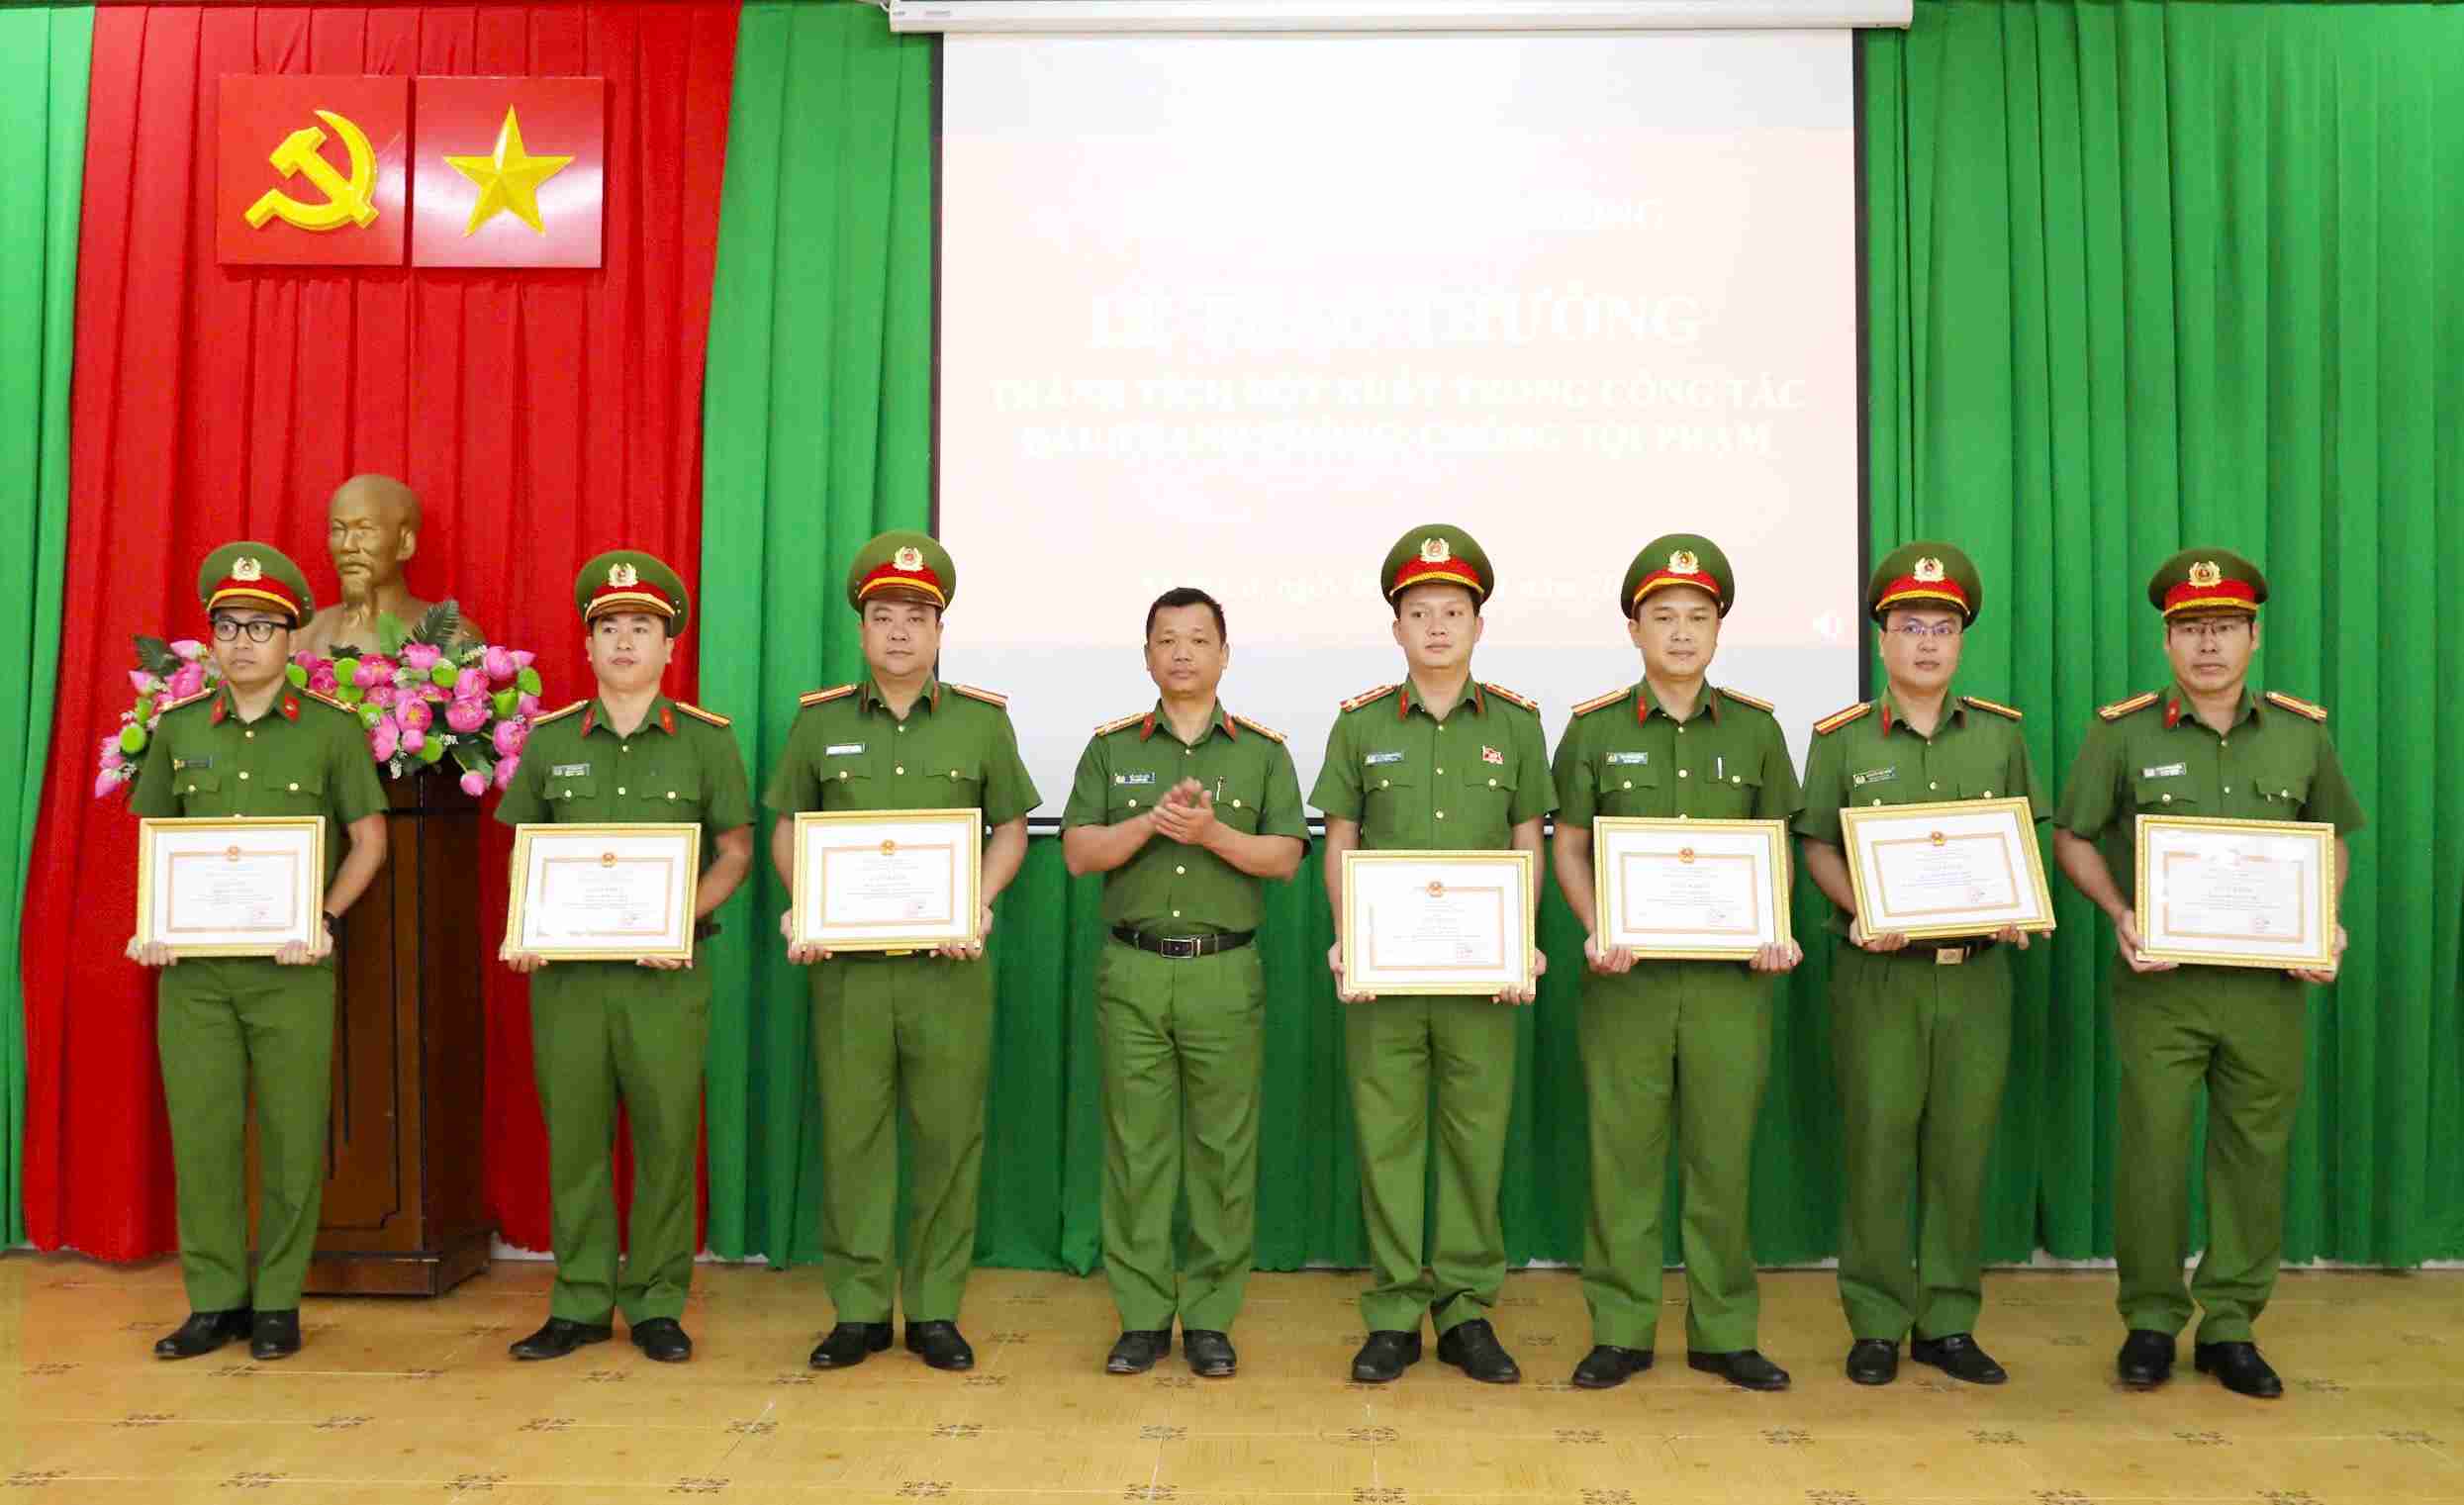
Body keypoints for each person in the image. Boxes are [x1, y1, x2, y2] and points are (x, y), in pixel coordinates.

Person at [2050, 548, 2360, 1400]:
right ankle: (2151, 1319)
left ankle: (2231, 1324)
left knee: (2255, 1153)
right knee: (2152, 1150)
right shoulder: (2123, 732)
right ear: (2167, 641)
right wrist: (2120, 912)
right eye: (2191, 629)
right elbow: (2072, 836)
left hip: (2269, 987)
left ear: (2254, 637)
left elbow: (2331, 838)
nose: (2209, 644)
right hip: (2163, 986)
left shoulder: (2302, 733)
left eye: (2225, 626)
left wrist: (2323, 918)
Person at [770, 531, 1038, 1373]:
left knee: (947, 1135)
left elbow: (1010, 830)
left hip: (947, 969)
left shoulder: (981, 722)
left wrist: (979, 901)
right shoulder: (819, 724)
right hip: (848, 971)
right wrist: (804, 904)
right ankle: (856, 1309)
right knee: (852, 1135)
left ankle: (933, 1308)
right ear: (861, 629)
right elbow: (788, 829)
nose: (898, 631)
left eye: (916, 617)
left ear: (939, 631)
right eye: (883, 615)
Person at [1548, 534, 1803, 1393]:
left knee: (1722, 1158)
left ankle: (1724, 1331)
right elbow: (1569, 845)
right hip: (1627, 981)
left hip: (1731, 985)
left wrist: (1774, 926)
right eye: (1664, 617)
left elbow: (1777, 846)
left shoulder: (1758, 730)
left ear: (1719, 628)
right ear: (1635, 629)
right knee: (1622, 1158)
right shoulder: (1594, 730)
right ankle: (1620, 1329)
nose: (1682, 632)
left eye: (1699, 616)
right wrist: (1595, 925)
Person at [128, 542, 389, 1362]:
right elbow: (157, 838)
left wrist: (325, 916)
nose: (242, 641)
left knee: (291, 1135)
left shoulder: (331, 731)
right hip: (195, 976)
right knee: (202, 1137)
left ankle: (277, 1300)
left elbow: (370, 842)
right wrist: (154, 918)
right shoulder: (177, 731)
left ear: (290, 638)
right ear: (211, 637)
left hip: (291, 969)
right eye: (228, 625)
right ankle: (214, 1301)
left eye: (262, 626)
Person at [1794, 542, 2043, 1388]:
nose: (1927, 643)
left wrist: (2016, 907)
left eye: (1943, 627)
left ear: (1961, 639)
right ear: (1882, 639)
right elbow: (1817, 846)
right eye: (1910, 626)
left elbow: (2021, 846)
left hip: (1977, 978)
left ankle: (1948, 1321)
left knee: (1961, 1149)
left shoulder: (2001, 736)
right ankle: (1874, 1319)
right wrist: (1862, 908)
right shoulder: (1840, 740)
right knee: (1877, 1144)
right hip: (1879, 977)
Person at [495, 550, 754, 1364]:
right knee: (575, 1141)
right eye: (609, 627)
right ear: (588, 643)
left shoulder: (707, 742)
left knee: (666, 1140)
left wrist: (679, 919)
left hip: (665, 980)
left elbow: (737, 853)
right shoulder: (550, 741)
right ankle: (578, 1300)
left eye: (642, 627)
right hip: (568, 981)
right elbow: (525, 850)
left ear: (669, 646)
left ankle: (656, 1303)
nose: (625, 641)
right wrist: (524, 926)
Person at [1311, 525, 1554, 1385]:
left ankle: (1464, 1310)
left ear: (1478, 624)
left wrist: (1520, 942)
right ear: (1397, 628)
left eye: (1454, 610)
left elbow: (1528, 842)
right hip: (1386, 979)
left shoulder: (1517, 726)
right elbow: (1340, 840)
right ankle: (1391, 1313)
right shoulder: (1360, 725)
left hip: (1482, 981)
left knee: (1475, 1140)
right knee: (1388, 1141)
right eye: (1420, 612)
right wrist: (1350, 938)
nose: (1438, 626)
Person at [1061, 588, 1307, 1379]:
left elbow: (1285, 857)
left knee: (1222, 1150)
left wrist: (1210, 833)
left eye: (1199, 639)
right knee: (1136, 1148)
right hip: (1132, 967)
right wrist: (1150, 823)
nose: (1182, 652)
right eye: (1166, 639)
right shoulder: (1110, 748)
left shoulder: (1262, 752)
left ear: (1224, 654)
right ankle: (1140, 1316)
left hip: (1224, 969)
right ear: (1147, 656)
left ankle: (1207, 1316)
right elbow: (1078, 853)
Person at [294, 474, 482, 657]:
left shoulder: (453, 639)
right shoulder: (303, 638)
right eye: (338, 530)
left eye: (365, 530)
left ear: (405, 543)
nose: (347, 546)